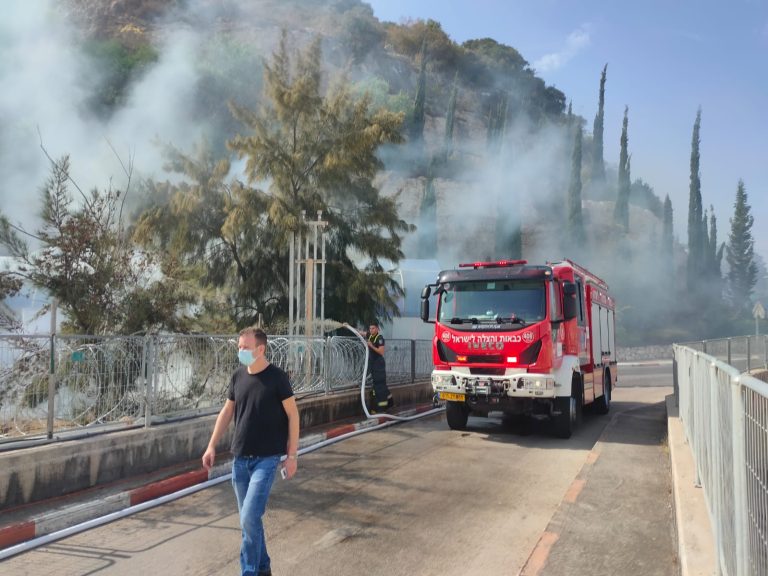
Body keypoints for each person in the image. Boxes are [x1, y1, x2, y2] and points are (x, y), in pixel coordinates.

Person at [202, 327, 300, 576]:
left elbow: (293, 414)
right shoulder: (237, 376)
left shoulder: (277, 378)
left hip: (266, 461)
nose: (241, 351)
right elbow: (227, 412)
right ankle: (263, 566)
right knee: (250, 521)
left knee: (248, 518)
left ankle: (249, 572)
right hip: (240, 460)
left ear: (260, 349)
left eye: (245, 347)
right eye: (239, 347)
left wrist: (292, 455)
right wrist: (212, 444)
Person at [365, 321, 393, 412]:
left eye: (373, 328)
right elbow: (362, 332)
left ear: (377, 329)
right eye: (370, 328)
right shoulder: (370, 336)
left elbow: (381, 352)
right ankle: (390, 403)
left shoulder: (379, 338)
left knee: (379, 386)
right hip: (373, 365)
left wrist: (371, 346)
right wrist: (348, 326)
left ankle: (380, 409)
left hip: (379, 365)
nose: (371, 330)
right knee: (381, 386)